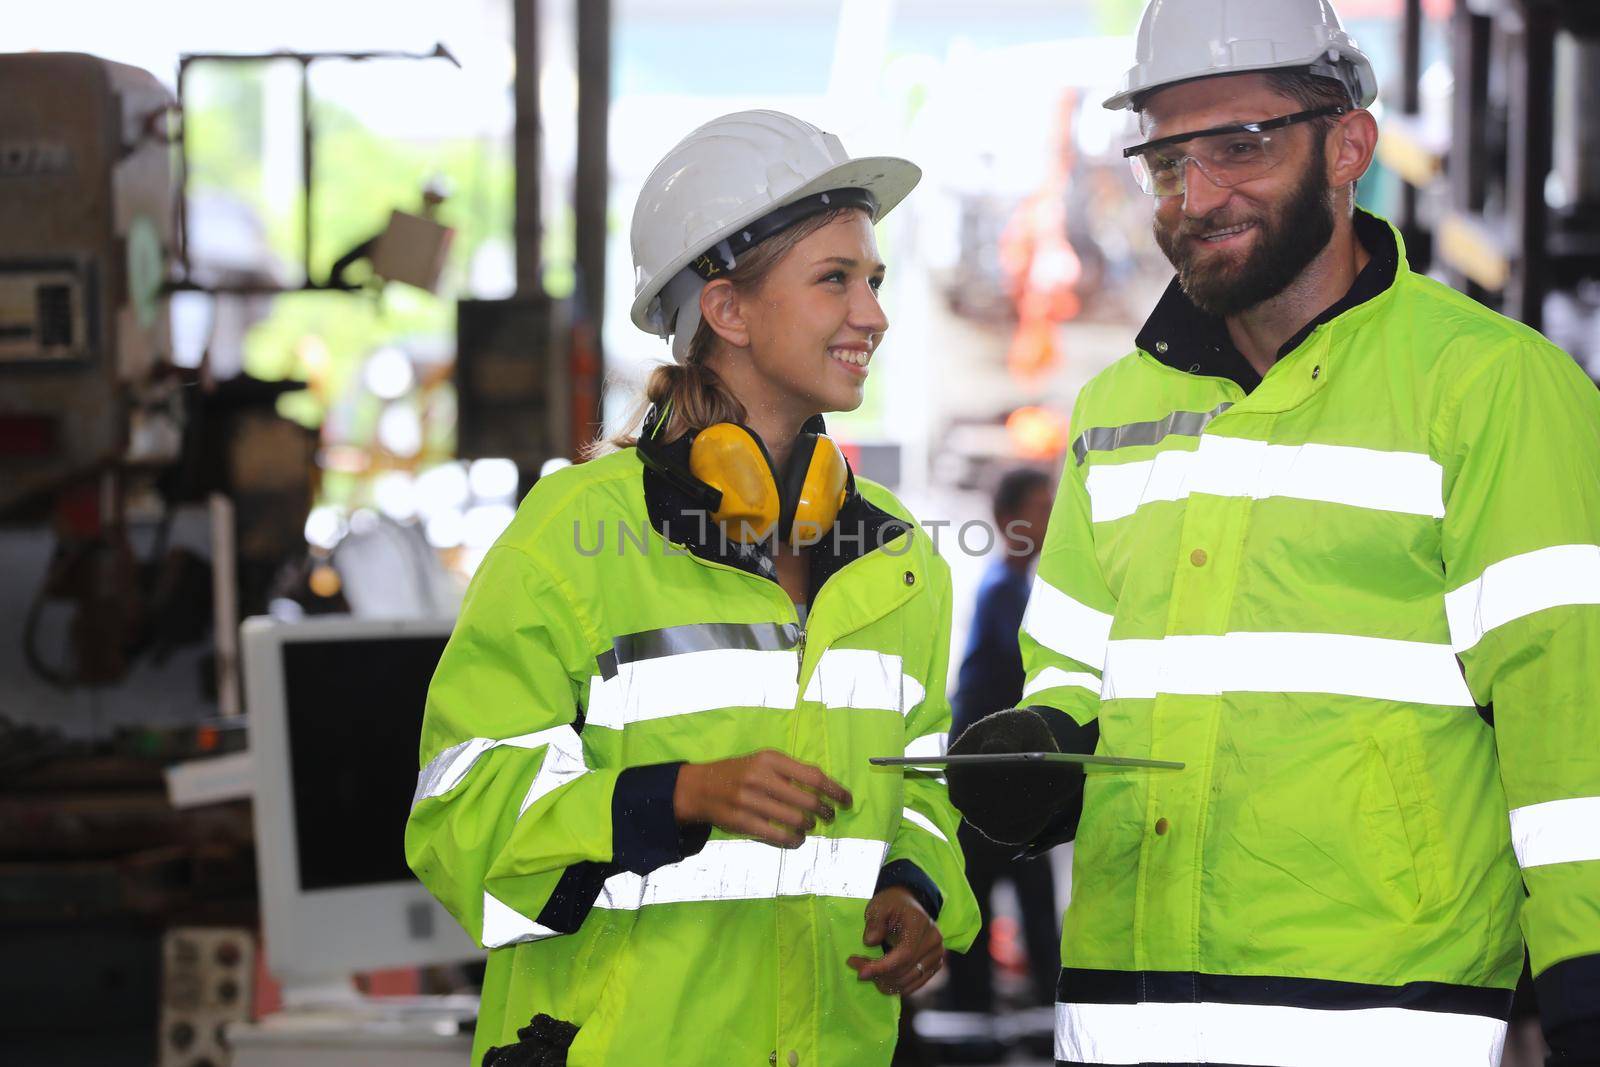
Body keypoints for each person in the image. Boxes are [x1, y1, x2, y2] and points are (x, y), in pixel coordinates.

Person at [945, 1, 1600, 1064]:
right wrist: (1047, 746)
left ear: (1348, 145)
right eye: (1166, 161)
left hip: (1382, 1032)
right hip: (1119, 1026)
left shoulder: (1491, 389)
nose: (1197, 196)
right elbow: (1070, 670)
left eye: (1239, 146)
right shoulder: (1114, 409)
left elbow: (1574, 731)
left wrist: (1584, 995)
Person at [405, 109, 979, 1067]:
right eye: (834, 279)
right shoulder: (574, 538)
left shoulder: (896, 558)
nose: (872, 313)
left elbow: (921, 782)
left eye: (872, 280)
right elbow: (461, 821)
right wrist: (676, 795)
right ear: (728, 310)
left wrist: (915, 886)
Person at [940, 468, 1061, 1047]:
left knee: (1007, 893)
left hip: (999, 777)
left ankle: (998, 1010)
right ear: (1006, 519)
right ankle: (988, 1018)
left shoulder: (1010, 588)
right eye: (1040, 506)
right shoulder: (1006, 595)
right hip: (991, 779)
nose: (1049, 517)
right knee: (998, 896)